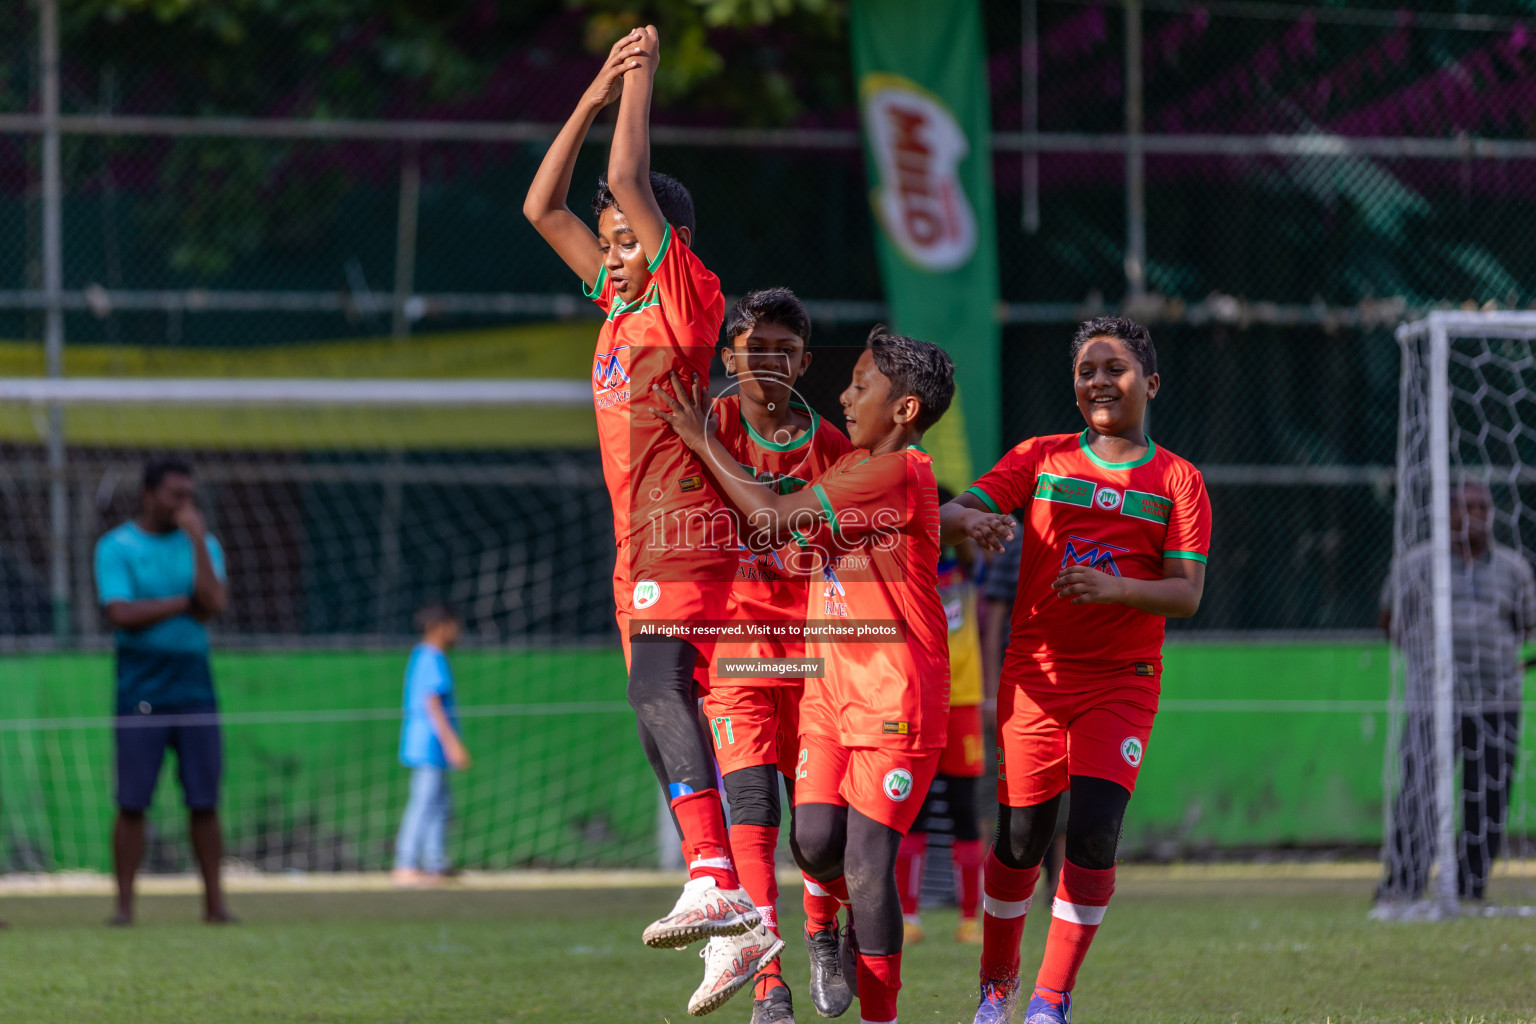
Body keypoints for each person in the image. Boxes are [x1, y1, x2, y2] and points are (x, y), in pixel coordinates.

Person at [522, 24, 773, 1015]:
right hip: (637, 547)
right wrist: (587, 90)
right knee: (651, 709)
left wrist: (641, 82)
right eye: (610, 241)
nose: (613, 253)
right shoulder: (618, 309)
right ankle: (747, 924)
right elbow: (543, 206)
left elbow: (629, 174)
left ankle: (713, 870)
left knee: (659, 680)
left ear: (665, 246)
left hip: (687, 537)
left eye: (628, 239)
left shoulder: (683, 297)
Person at [656, 326, 1004, 1024]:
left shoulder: (896, 470)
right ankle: (824, 930)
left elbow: (778, 518)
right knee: (813, 841)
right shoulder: (855, 471)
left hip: (894, 696)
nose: (844, 395)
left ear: (904, 409)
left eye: (862, 383)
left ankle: (879, 1010)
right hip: (828, 691)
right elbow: (824, 526)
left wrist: (702, 439)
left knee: (870, 867)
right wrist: (969, 521)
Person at [941, 316, 1211, 1024]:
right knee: (1022, 837)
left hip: (1122, 678)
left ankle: (1050, 1002)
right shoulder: (1040, 459)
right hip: (1037, 676)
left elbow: (1186, 593)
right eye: (1087, 368)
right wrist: (972, 521)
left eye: (1114, 368)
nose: (1098, 380)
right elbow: (949, 513)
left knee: (1093, 833)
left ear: (1149, 383)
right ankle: (996, 987)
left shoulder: (1179, 481)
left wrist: (1114, 588)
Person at [699, 287, 853, 1023]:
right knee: (753, 813)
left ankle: (826, 935)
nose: (768, 360)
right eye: (754, 346)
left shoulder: (832, 447)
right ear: (728, 356)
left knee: (816, 830)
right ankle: (770, 985)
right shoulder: (706, 426)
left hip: (816, 654)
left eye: (784, 349)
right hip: (735, 649)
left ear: (805, 361)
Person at [1378, 480, 1535, 902]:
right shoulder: (1417, 564)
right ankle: (1404, 884)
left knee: (1488, 796)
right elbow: (1392, 618)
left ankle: (1471, 887)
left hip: (1496, 699)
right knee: (1420, 792)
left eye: (1483, 506)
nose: (1477, 514)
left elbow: (1526, 624)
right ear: (1448, 512)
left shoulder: (1513, 567)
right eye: (1467, 506)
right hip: (1434, 699)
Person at [94, 457, 233, 926]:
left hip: (194, 683)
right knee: (133, 801)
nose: (184, 504)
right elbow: (121, 615)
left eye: (189, 496)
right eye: (176, 495)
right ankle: (124, 908)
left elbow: (213, 605)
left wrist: (196, 539)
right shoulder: (117, 547)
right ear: (149, 495)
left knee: (204, 799)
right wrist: (183, 604)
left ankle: (215, 906)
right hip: (142, 687)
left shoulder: (205, 544)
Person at [896, 487, 987, 947]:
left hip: (964, 699)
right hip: (914, 698)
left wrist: (963, 519)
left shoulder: (966, 567)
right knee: (910, 812)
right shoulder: (906, 566)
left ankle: (971, 918)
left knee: (965, 811)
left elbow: (969, 543)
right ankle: (908, 917)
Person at [980, 523, 1066, 899]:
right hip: (1016, 686)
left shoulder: (1091, 528)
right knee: (997, 792)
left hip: (1069, 683)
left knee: (1067, 792)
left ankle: (1060, 887)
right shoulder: (1016, 541)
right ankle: (991, 887)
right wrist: (988, 691)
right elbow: (995, 620)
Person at [392, 604, 470, 888]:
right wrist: (453, 744)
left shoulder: (421, 655)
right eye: (454, 625)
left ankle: (436, 863)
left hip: (430, 745)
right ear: (440, 627)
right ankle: (406, 864)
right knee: (424, 804)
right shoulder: (432, 656)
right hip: (429, 743)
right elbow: (433, 703)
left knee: (439, 804)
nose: (457, 632)